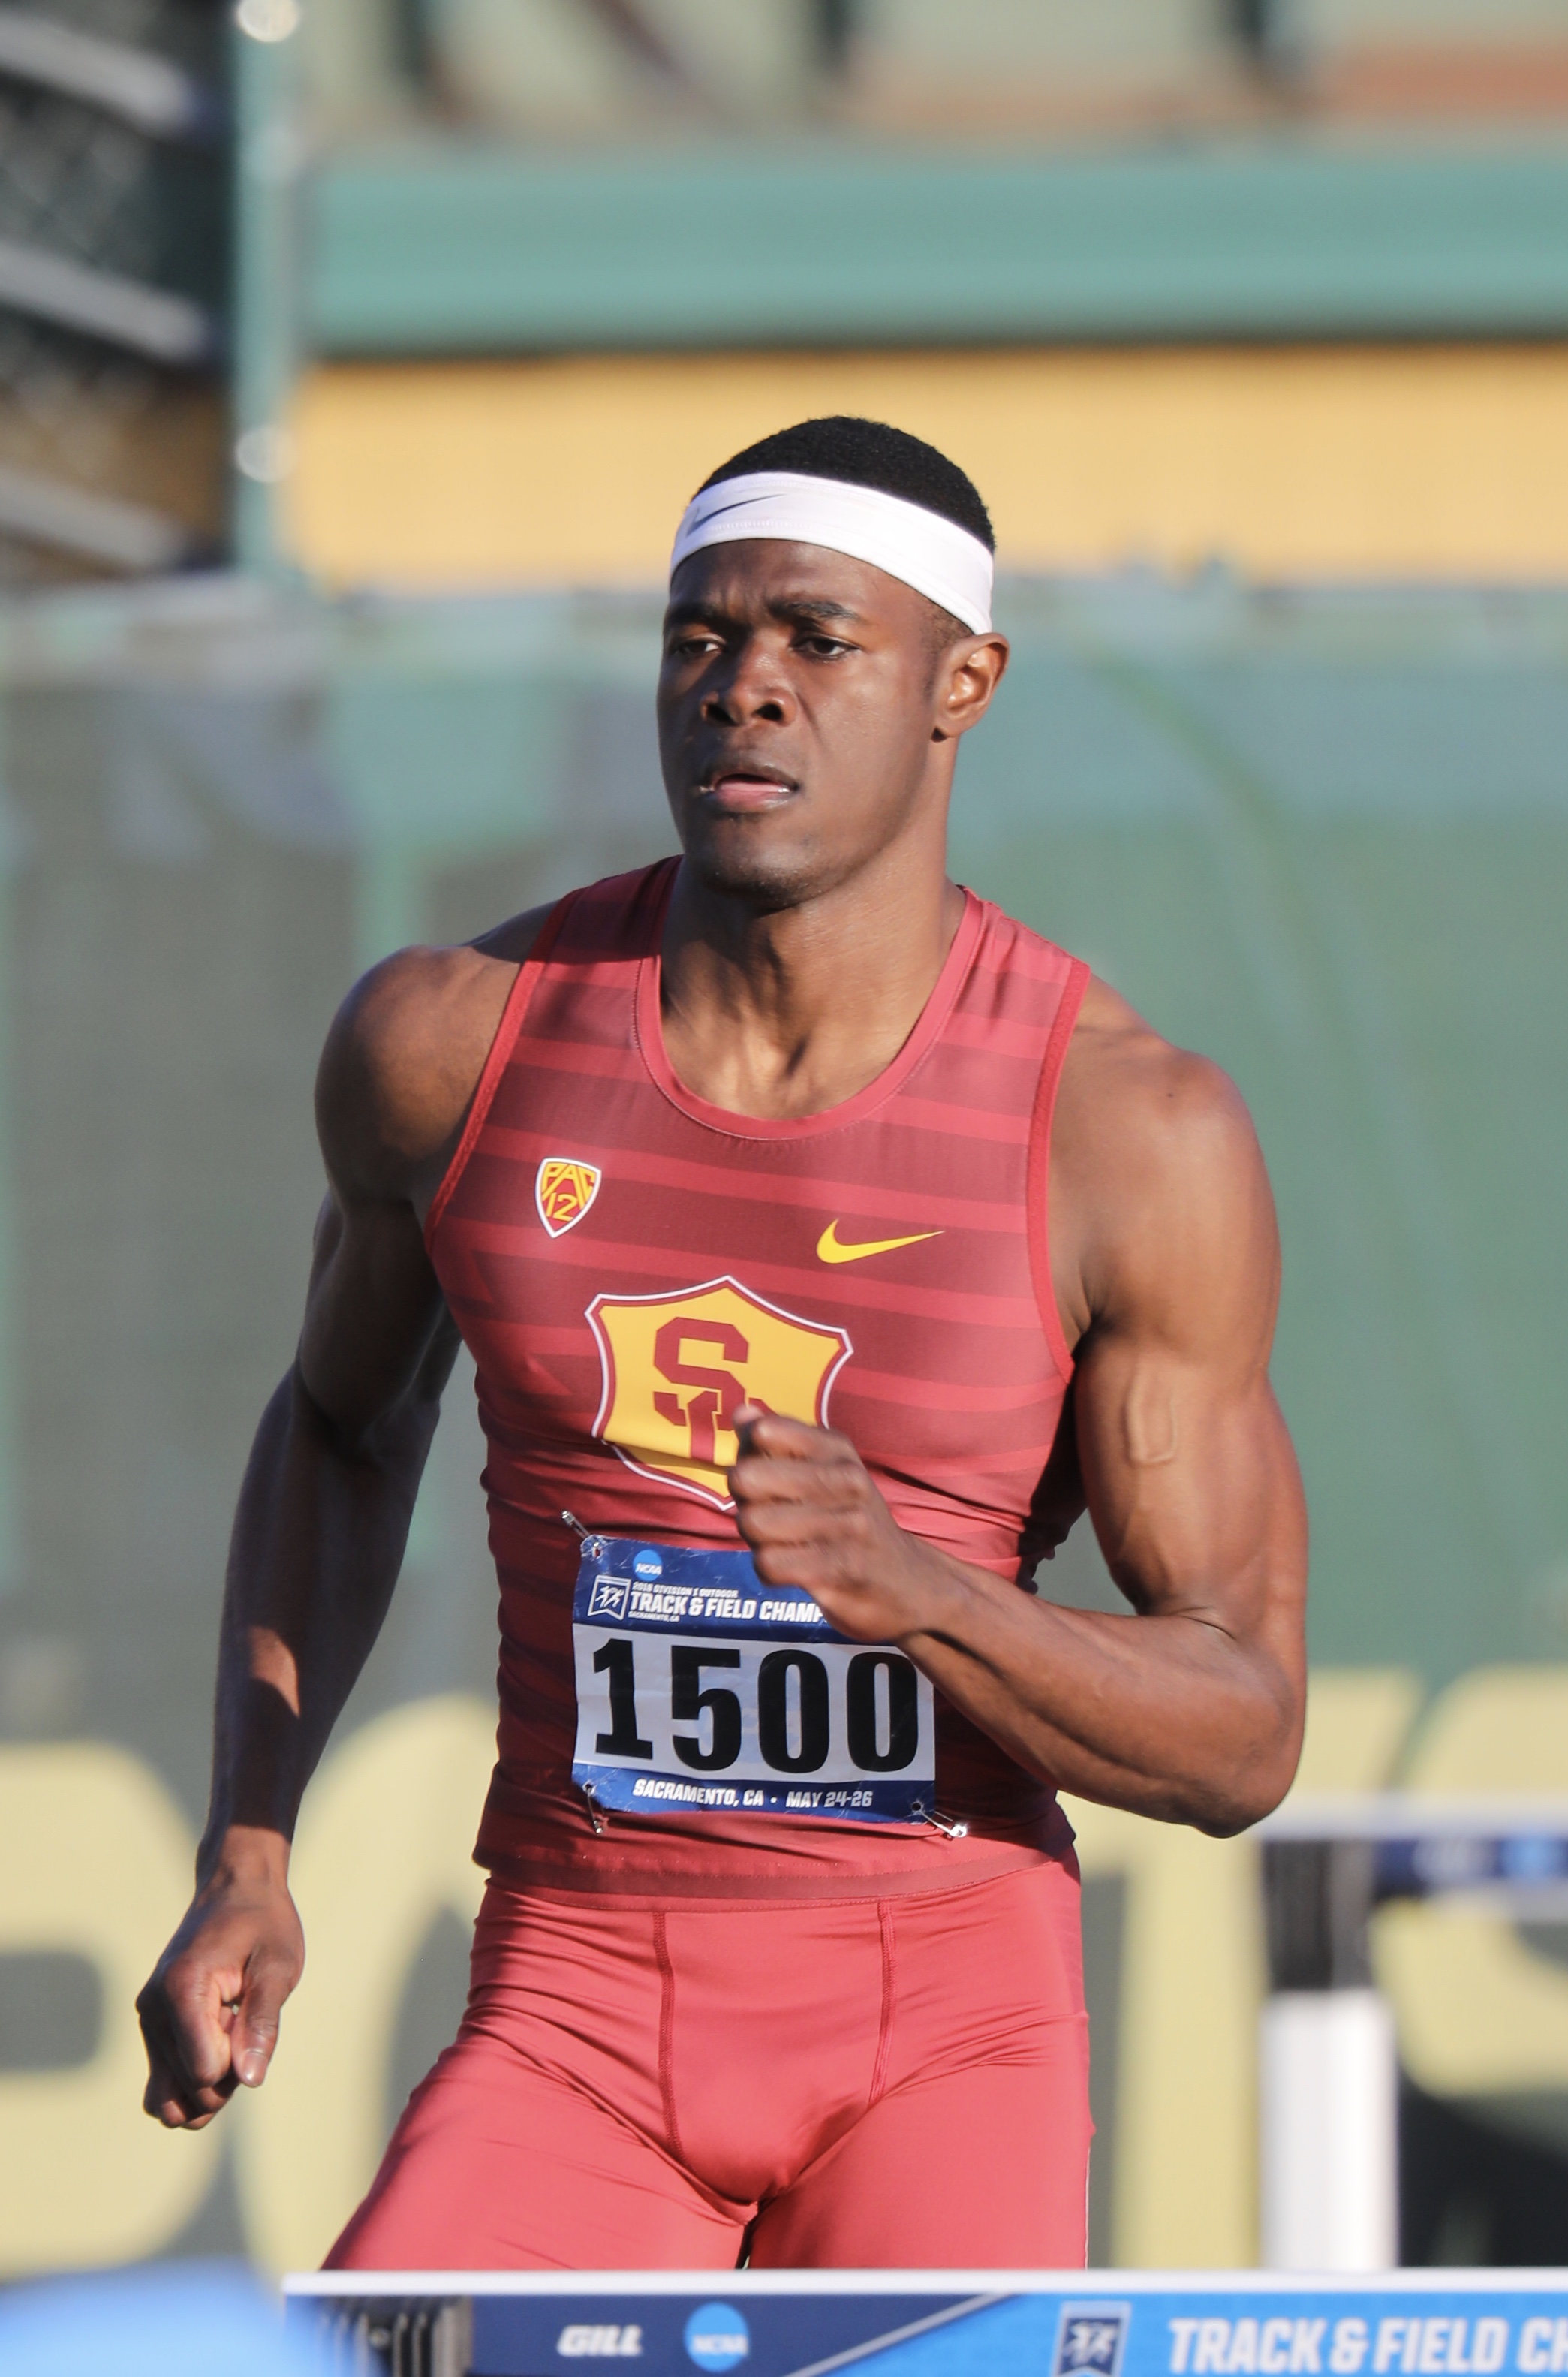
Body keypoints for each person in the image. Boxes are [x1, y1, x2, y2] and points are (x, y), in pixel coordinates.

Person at [137, 416, 1306, 2270]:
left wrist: (918, 1590)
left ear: (963, 684)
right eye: (702, 635)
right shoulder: (453, 1043)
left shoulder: (1126, 1131)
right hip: (575, 1999)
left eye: (819, 640)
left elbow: (1241, 1733)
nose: (745, 686)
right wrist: (249, 1851)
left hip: (943, 2025)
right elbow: (343, 1427)